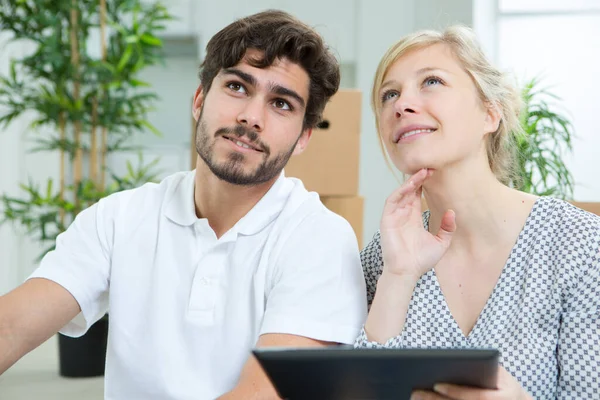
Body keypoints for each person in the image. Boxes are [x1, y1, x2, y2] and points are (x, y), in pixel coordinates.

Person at [0, 10, 367, 399]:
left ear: (304, 137)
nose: (251, 117)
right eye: (238, 87)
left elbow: (264, 394)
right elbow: (12, 326)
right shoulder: (119, 218)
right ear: (199, 100)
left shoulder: (319, 238)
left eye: (281, 104)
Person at [355, 25, 600, 400]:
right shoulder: (381, 258)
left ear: (490, 114)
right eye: (389, 94)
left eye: (431, 81)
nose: (401, 104)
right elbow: (361, 392)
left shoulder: (579, 244)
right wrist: (398, 276)